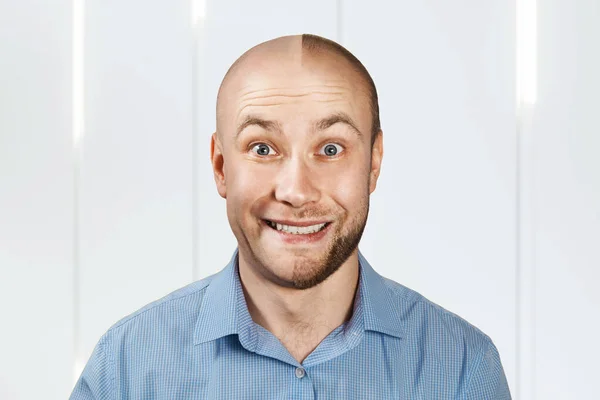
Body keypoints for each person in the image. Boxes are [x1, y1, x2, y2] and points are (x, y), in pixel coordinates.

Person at [70, 34, 511, 399]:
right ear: (221, 167)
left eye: (331, 149)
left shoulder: (462, 369)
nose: (297, 191)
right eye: (263, 149)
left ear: (373, 164)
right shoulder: (126, 369)